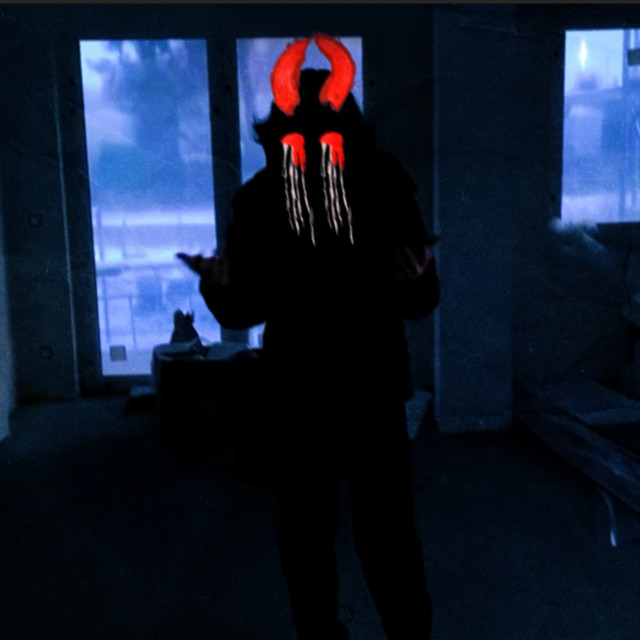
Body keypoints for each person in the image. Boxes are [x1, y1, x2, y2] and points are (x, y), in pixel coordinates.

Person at [183, 34, 439, 640]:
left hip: (345, 388)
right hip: (319, 390)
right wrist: (220, 287)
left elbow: (420, 297)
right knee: (327, 533)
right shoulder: (266, 198)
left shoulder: (377, 184)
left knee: (357, 535)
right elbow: (244, 307)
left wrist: (416, 281)